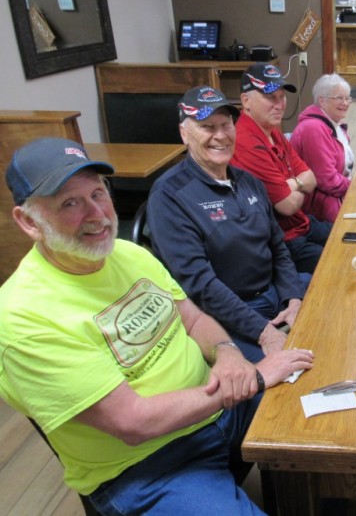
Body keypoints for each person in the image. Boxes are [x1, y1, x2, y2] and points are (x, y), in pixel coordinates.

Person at [0, 138, 314, 514]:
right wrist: (256, 377)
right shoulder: (22, 318)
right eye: (70, 203)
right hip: (152, 465)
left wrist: (227, 353)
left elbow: (194, 318)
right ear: (28, 222)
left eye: (98, 194)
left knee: (319, 401)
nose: (97, 214)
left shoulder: (128, 254)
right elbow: (133, 422)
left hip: (219, 413)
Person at [148, 86, 309, 363]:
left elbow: (278, 248)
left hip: (276, 297)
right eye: (207, 127)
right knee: (282, 383)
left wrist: (293, 299)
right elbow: (201, 286)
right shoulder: (169, 197)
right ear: (184, 134)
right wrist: (263, 332)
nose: (220, 135)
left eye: (226, 125)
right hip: (225, 317)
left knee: (334, 310)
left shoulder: (249, 182)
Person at [231, 63, 332, 274]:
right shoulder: (245, 142)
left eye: (282, 96)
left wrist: (293, 183)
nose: (279, 105)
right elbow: (287, 205)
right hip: (284, 241)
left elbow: (312, 178)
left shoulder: (272, 130)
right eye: (270, 97)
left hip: (303, 224)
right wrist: (300, 184)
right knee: (340, 264)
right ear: (245, 101)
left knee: (350, 236)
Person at [290, 73, 354, 223]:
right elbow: (327, 180)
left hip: (335, 197)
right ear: (322, 101)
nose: (345, 103)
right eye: (339, 98)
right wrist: (355, 188)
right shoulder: (313, 129)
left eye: (348, 98)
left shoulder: (334, 124)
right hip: (318, 210)